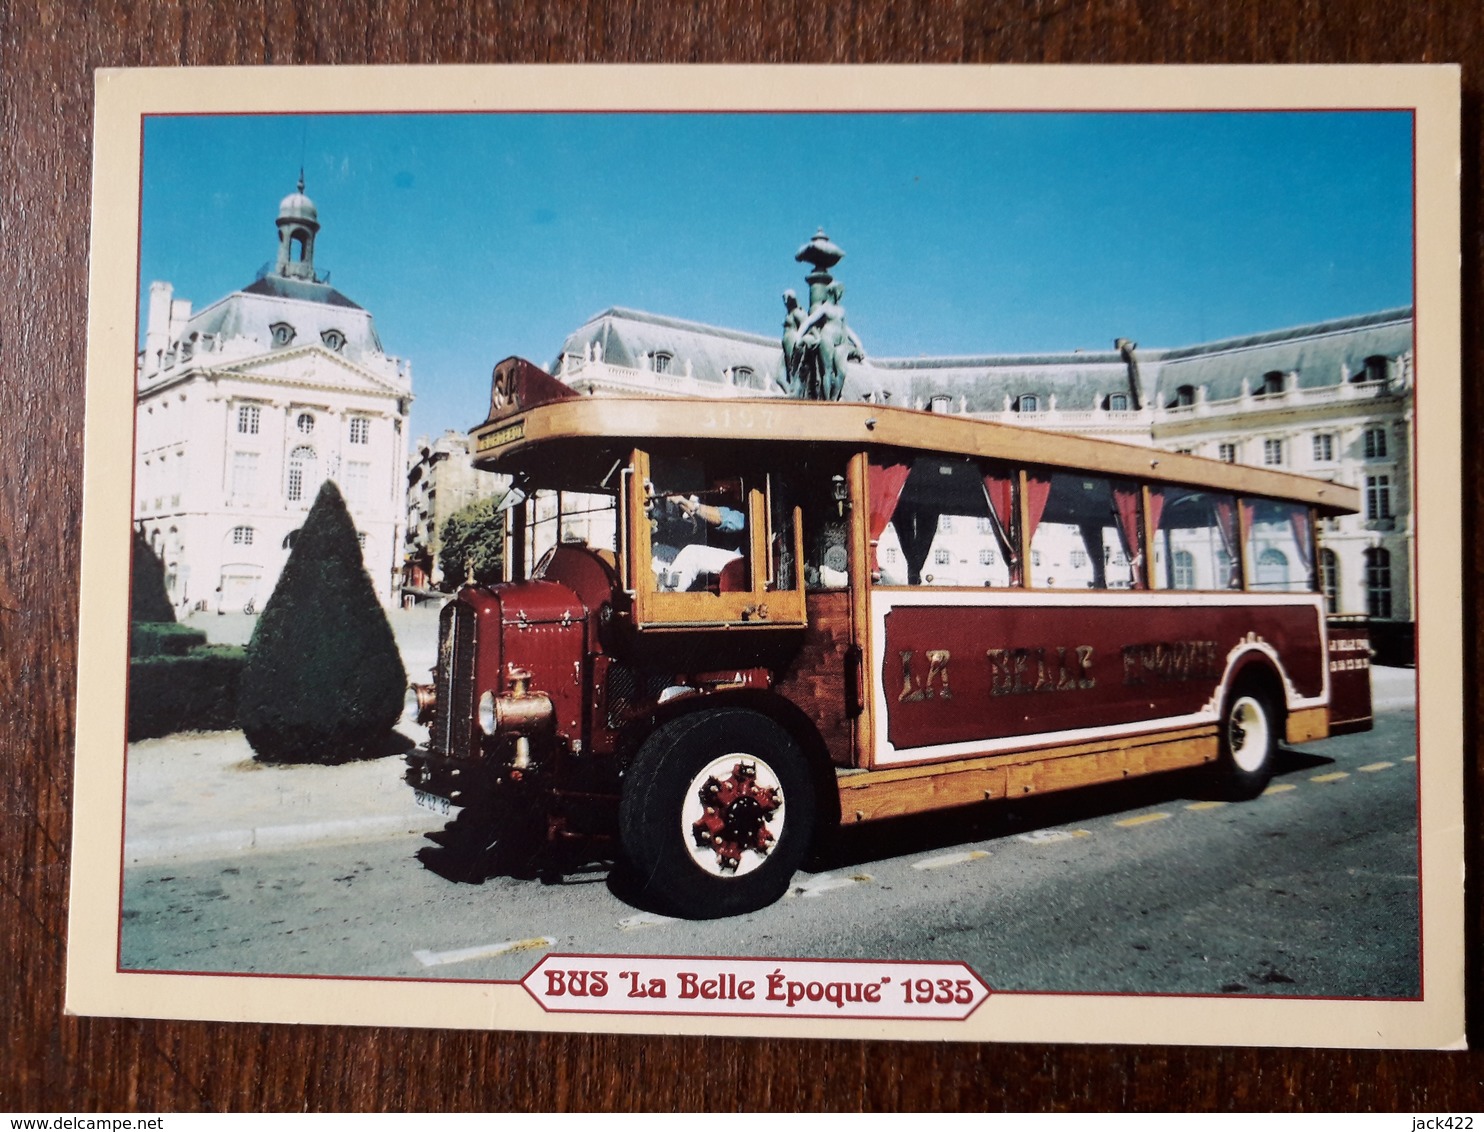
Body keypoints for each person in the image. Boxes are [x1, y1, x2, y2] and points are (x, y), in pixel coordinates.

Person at [653, 491, 746, 592]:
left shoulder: (759, 511)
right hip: (736, 558)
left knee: (692, 554)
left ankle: (667, 599)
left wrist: (692, 505)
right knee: (660, 552)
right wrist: (685, 503)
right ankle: (657, 588)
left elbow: (726, 519)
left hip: (744, 565)